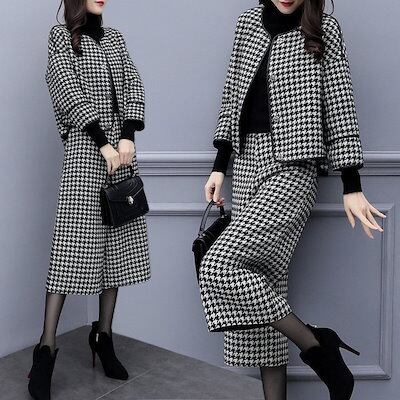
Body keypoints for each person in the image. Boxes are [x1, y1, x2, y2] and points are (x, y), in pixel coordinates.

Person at [199, 1, 386, 399]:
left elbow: (340, 105)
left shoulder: (324, 28)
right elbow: (232, 96)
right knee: (264, 298)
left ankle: (315, 344)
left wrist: (351, 183)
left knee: (218, 265)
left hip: (293, 167)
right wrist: (219, 166)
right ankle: (310, 351)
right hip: (245, 165)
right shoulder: (247, 23)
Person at [28, 1, 150, 399]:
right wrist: (102, 142)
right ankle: (46, 348)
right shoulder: (61, 37)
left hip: (122, 158)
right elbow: (66, 90)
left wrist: (127, 135)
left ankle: (103, 336)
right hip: (85, 153)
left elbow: (133, 84)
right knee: (70, 251)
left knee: (117, 250)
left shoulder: (115, 38)